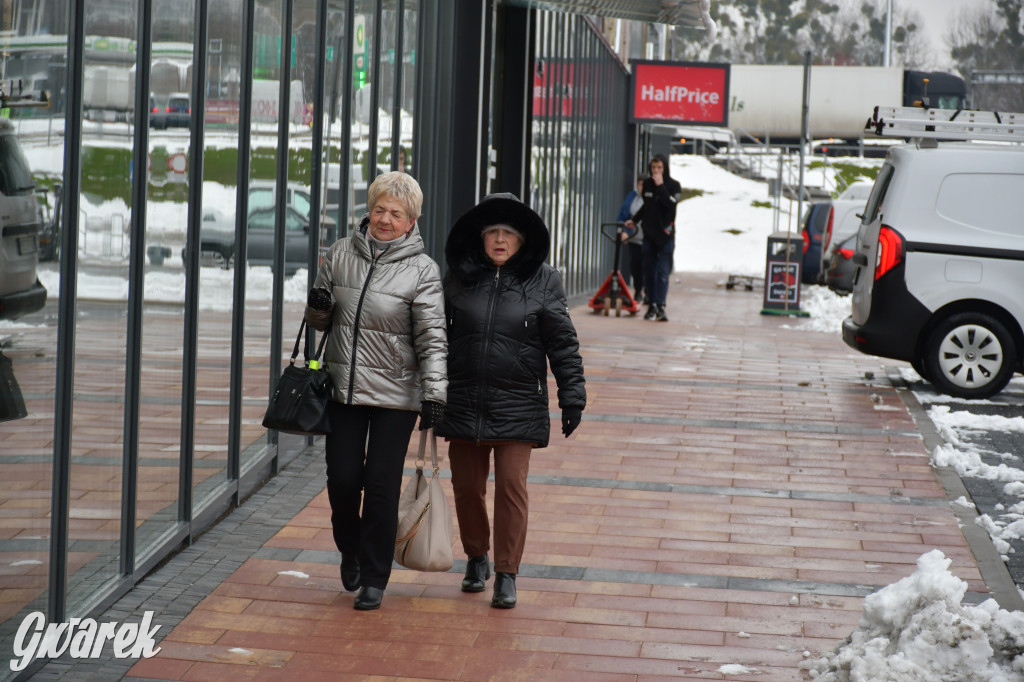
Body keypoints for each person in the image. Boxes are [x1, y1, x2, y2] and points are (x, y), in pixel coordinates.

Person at [303, 171, 448, 611]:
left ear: (412, 221)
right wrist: (318, 307)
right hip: (345, 390)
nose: (385, 219)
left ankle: (374, 577)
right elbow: (319, 322)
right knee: (344, 480)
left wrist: (436, 393)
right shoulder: (341, 253)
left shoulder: (423, 270)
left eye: (396, 213)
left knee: (381, 486)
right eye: (380, 209)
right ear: (369, 210)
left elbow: (433, 337)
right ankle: (349, 547)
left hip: (396, 397)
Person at [436, 193, 586, 609]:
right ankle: (477, 556)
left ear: (522, 241)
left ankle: (506, 572)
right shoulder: (458, 277)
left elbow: (563, 342)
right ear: (480, 238)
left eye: (509, 234)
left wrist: (572, 397)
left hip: (520, 402)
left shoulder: (544, 280)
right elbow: (434, 338)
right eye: (492, 233)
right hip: (465, 399)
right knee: (466, 488)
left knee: (511, 486)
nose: (500, 240)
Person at [624, 154, 682, 321]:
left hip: (665, 236)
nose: (656, 171)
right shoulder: (647, 184)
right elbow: (646, 206)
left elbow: (671, 206)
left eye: (659, 168)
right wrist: (634, 221)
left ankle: (661, 305)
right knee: (648, 272)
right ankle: (652, 305)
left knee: (663, 272)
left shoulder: (674, 186)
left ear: (665, 169)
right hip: (649, 236)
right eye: (653, 168)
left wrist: (661, 186)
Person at [616, 176, 646, 303]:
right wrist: (624, 232)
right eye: (640, 184)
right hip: (634, 238)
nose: (641, 187)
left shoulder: (651, 198)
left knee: (647, 267)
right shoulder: (631, 197)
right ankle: (638, 291)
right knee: (635, 266)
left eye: (644, 185)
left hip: (647, 239)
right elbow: (624, 214)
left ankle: (649, 292)